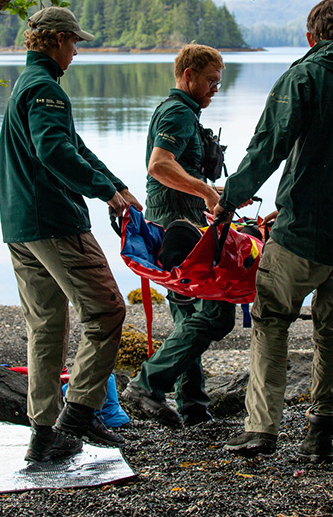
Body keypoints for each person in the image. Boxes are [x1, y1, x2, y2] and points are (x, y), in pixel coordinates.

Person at [214, 0, 333, 462]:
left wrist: (229, 198)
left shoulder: (304, 75)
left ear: (310, 38)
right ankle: (320, 434)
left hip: (303, 234)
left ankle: (262, 431)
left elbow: (266, 148)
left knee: (271, 321)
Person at [0, 6, 142, 462]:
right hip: (56, 224)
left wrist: (115, 184)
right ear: (56, 40)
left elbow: (76, 147)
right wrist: (103, 192)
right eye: (75, 42)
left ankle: (43, 434)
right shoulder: (45, 90)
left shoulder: (26, 84)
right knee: (107, 313)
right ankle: (78, 414)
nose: (77, 50)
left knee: (47, 327)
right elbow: (55, 152)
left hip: (20, 228)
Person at [122, 44, 236, 427]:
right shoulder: (177, 112)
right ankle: (147, 383)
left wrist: (214, 192)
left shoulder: (182, 112)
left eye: (218, 82)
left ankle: (193, 407)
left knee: (188, 315)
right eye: (210, 81)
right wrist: (206, 191)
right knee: (216, 314)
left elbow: (177, 170)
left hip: (178, 220)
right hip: (176, 227)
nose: (215, 88)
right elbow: (159, 165)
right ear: (188, 75)